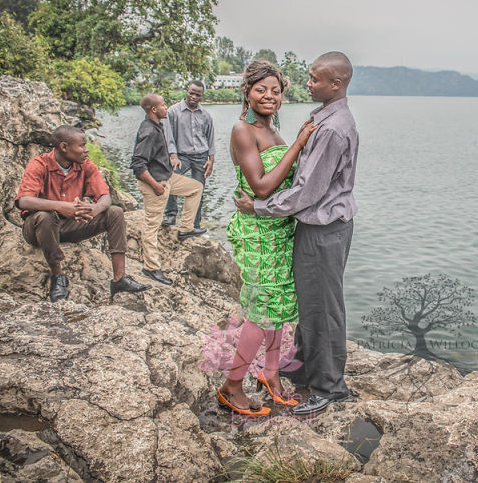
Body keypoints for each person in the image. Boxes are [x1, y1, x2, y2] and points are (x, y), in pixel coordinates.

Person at [234, 51, 359, 416]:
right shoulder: (321, 119)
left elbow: (307, 191)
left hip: (324, 230)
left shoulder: (333, 128)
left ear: (335, 84)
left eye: (315, 79)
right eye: (308, 76)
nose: (307, 83)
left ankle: (330, 386)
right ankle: (303, 368)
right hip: (312, 228)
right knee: (310, 303)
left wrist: (259, 208)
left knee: (324, 309)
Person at [215, 61, 318, 417]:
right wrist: (300, 144)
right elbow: (260, 186)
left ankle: (270, 375)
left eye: (276, 90)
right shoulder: (244, 130)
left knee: (279, 308)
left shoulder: (273, 133)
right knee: (261, 314)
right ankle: (232, 385)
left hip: (280, 229)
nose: (269, 96)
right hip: (258, 233)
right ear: (246, 92)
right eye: (261, 89)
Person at [15, 125, 149, 302]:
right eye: (82, 145)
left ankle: (119, 278)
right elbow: (23, 201)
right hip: (39, 229)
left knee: (115, 212)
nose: (86, 150)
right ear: (64, 147)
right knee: (45, 217)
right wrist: (62, 207)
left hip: (69, 226)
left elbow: (105, 197)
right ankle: (58, 276)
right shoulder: (39, 164)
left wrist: (95, 209)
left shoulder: (85, 165)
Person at [131, 93, 205, 286]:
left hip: (167, 177)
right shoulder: (148, 131)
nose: (166, 107)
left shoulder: (158, 126)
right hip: (156, 183)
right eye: (163, 105)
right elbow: (138, 165)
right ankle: (151, 267)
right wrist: (155, 186)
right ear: (153, 109)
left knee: (196, 187)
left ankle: (186, 228)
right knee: (151, 226)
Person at [162, 80, 214, 234]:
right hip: (181, 155)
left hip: (201, 156)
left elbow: (210, 139)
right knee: (169, 180)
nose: (193, 97)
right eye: (191, 93)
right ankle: (170, 215)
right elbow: (168, 136)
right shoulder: (173, 112)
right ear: (187, 91)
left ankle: (194, 225)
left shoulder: (205, 115)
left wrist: (211, 160)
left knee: (199, 190)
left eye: (198, 94)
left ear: (202, 96)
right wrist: (173, 155)